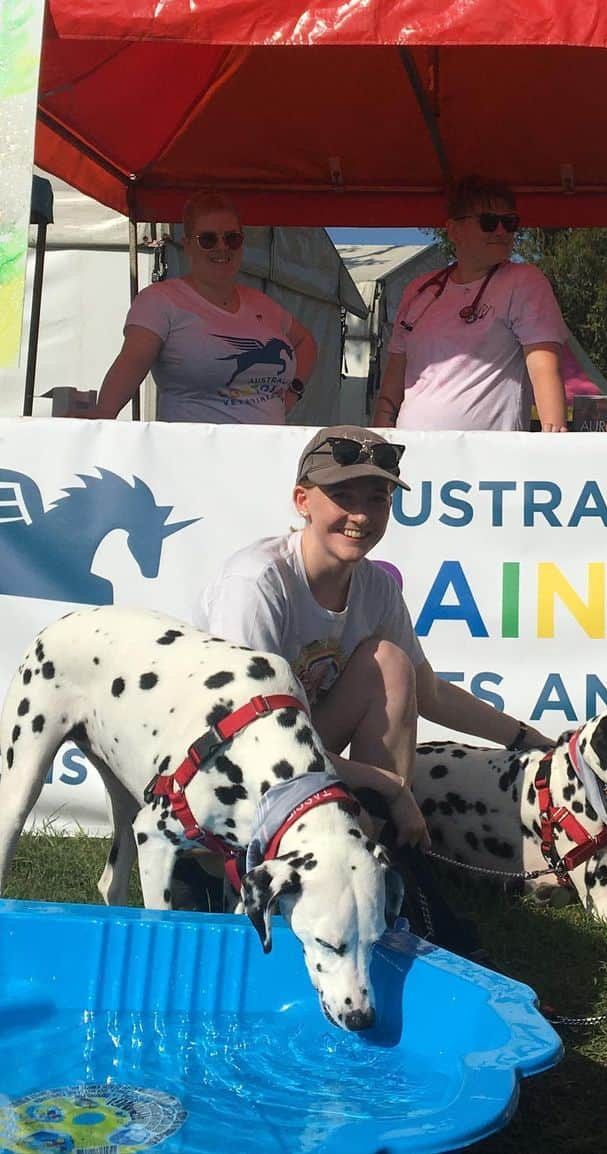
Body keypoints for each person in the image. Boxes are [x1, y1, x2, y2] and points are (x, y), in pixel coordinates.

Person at [197, 425, 552, 848]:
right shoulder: (256, 582)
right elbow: (248, 739)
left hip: (296, 752)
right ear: (302, 501)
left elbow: (430, 694)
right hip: (221, 766)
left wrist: (531, 742)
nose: (361, 516)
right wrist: (387, 786)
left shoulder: (376, 587)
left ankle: (372, 849)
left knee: (391, 664)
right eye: (343, 498)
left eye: (377, 500)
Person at [93, 190, 317, 423]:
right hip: (191, 454)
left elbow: (306, 342)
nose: (222, 247)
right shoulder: (160, 300)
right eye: (208, 239)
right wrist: (103, 414)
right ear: (188, 245)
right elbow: (133, 360)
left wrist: (293, 392)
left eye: (232, 238)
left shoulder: (263, 304)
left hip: (267, 453)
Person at [372, 176, 569, 431]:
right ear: (453, 230)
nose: (501, 231)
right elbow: (393, 382)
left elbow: (545, 367)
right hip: (412, 455)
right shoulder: (419, 290)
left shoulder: (524, 281)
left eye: (510, 223)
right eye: (488, 222)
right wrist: (379, 437)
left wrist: (554, 440)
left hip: (488, 461)